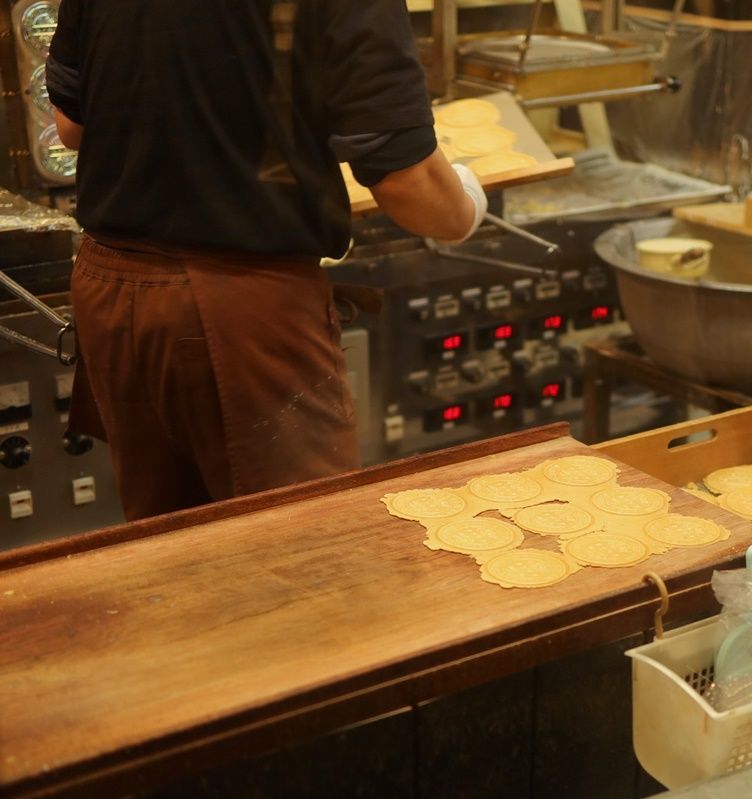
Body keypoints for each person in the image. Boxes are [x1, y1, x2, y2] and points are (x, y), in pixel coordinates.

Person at [46, 1, 487, 520]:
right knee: (307, 561)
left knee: (175, 560)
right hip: (240, 308)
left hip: (114, 291)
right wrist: (464, 207)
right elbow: (405, 179)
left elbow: (71, 125)